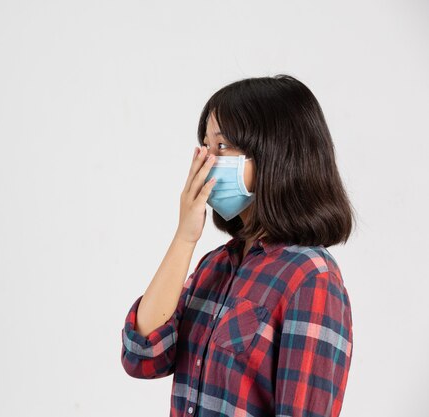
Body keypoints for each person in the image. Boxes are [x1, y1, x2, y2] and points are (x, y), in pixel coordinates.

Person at [120, 74, 355, 417]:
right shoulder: (215, 266)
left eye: (222, 146)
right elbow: (142, 355)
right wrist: (185, 237)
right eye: (204, 145)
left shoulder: (310, 278)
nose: (206, 160)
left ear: (275, 153)